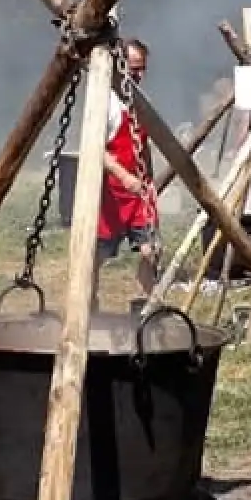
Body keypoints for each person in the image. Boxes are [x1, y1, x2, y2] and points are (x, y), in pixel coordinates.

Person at [96, 39, 159, 309]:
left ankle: (147, 305)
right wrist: (123, 176)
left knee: (151, 250)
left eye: (142, 68)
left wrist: (150, 182)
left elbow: (143, 147)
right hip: (108, 194)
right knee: (96, 257)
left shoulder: (141, 102)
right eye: (133, 68)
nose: (138, 75)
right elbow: (95, 150)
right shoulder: (104, 103)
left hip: (138, 194)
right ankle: (88, 303)